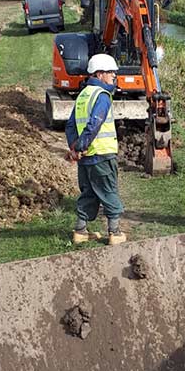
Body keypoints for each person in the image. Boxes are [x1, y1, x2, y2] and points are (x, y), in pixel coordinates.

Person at [65, 53, 127, 245]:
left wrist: (75, 148)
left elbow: (70, 125)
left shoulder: (83, 95)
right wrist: (82, 145)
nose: (113, 76)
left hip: (86, 158)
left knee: (89, 192)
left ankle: (80, 231)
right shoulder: (102, 96)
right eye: (110, 73)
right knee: (109, 191)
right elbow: (95, 124)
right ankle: (114, 233)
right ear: (99, 74)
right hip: (102, 155)